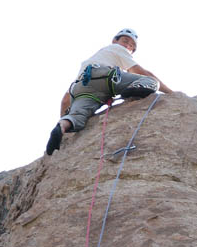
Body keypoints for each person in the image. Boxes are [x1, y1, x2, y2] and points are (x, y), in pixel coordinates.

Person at [46, 28, 173, 156]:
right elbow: (142, 72)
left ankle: (62, 127)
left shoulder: (90, 61)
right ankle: (131, 90)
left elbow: (66, 99)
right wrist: (171, 93)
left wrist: (63, 116)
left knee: (77, 117)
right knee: (151, 81)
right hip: (105, 77)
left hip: (82, 87)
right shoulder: (117, 49)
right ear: (114, 41)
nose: (128, 46)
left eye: (131, 46)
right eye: (125, 41)